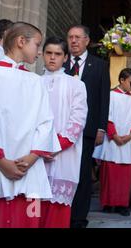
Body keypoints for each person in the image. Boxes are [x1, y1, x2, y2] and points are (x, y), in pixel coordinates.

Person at [0, 22, 60, 228]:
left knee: (27, 216)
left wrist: (33, 156)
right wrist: (1, 161)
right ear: (20, 42)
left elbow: (46, 123)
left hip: (29, 169)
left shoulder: (36, 82)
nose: (39, 52)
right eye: (37, 45)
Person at [64, 25, 110, 228]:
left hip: (88, 129)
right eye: (70, 37)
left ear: (87, 41)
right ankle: (62, 213)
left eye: (77, 37)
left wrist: (101, 127)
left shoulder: (99, 65)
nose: (73, 41)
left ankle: (79, 217)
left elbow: (103, 98)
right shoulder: (60, 63)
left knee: (83, 173)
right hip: (63, 130)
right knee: (64, 172)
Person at [40, 36, 88, 228]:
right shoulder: (33, 82)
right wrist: (39, 150)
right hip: (35, 156)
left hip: (64, 153)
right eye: (48, 53)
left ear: (66, 58)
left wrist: (54, 146)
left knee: (57, 212)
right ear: (42, 54)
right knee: (34, 206)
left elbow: (77, 120)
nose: (52, 58)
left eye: (57, 54)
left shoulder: (76, 85)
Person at [93, 68, 131, 217]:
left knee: (124, 177)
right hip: (112, 141)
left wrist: (130, 135)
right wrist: (114, 135)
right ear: (122, 80)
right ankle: (108, 204)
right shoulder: (111, 96)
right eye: (130, 81)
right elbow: (107, 116)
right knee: (109, 174)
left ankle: (122, 204)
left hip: (127, 141)